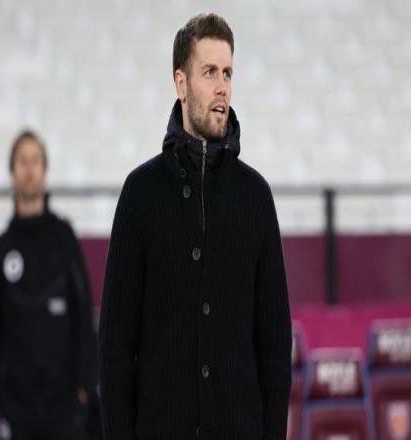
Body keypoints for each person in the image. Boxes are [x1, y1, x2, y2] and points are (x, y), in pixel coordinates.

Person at [99, 13, 292, 440]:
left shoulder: (256, 197)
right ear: (181, 83)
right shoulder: (140, 193)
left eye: (228, 73)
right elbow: (115, 347)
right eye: (209, 72)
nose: (223, 86)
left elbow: (275, 349)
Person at [0, 130, 97, 439]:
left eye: (36, 160)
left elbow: (84, 314)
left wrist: (83, 387)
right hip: (19, 411)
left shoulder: (64, 237)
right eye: (22, 161)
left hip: (66, 409)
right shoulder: (1, 250)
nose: (29, 168)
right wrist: (3, 401)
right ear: (12, 172)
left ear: (45, 170)